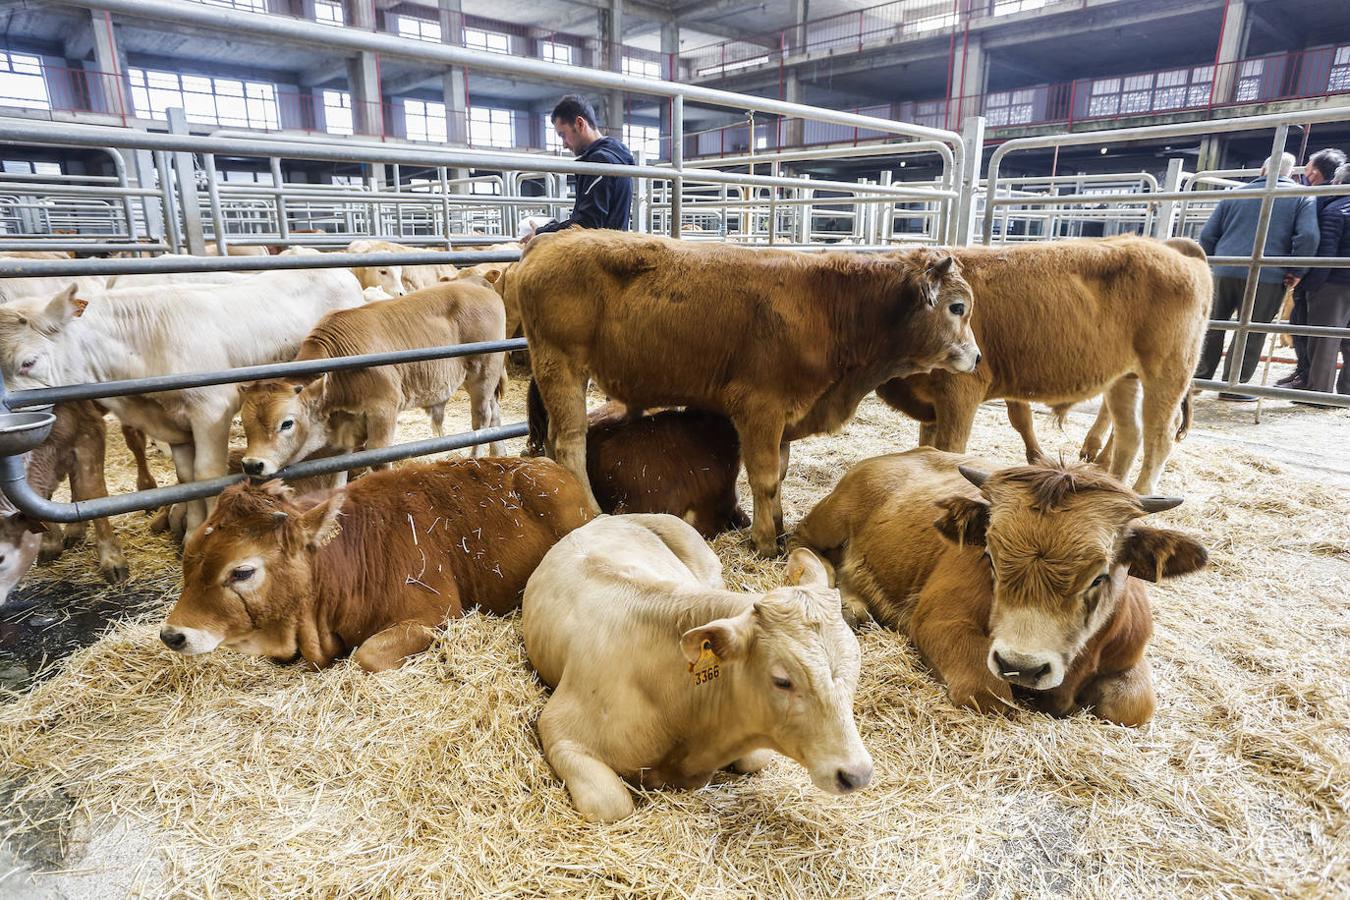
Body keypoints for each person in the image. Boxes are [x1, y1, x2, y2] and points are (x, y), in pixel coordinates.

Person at [1195, 151, 1320, 401]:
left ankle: (1199, 377)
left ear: (1262, 170)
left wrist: (1209, 263)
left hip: (1224, 268)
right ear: (1291, 173)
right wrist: (1296, 270)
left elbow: (1208, 235)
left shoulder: (1235, 194)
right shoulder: (1300, 197)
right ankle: (1235, 385)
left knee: (1213, 324)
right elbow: (1308, 237)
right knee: (1251, 330)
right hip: (1268, 274)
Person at [520, 95, 634, 245]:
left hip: (601, 257)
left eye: (563, 135)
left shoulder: (600, 162)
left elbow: (587, 224)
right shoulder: (615, 156)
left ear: (580, 124)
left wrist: (543, 233)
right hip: (612, 250)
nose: (564, 145)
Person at [1280, 147, 1346, 389]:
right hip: (1336, 279)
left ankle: (1313, 385)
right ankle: (1333, 385)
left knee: (1316, 334)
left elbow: (1321, 247)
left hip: (1325, 280)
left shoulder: (1326, 205)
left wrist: (1305, 281)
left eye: (1307, 167)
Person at [1297, 161, 1350, 400]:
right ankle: (1346, 392)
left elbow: (1326, 253)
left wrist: (1311, 285)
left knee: (1324, 340)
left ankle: (1319, 393)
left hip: (1334, 285)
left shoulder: (1334, 210)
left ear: (1338, 183)